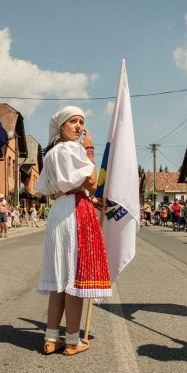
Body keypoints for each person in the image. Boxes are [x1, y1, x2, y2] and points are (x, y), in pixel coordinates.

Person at [36, 106, 111, 356]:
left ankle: (50, 338)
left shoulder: (50, 154)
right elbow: (91, 181)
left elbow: (49, 189)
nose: (79, 127)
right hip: (75, 211)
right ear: (61, 127)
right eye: (73, 122)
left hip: (59, 209)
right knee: (74, 280)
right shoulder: (74, 149)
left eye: (81, 122)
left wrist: (87, 196)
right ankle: (72, 340)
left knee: (59, 278)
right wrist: (89, 150)